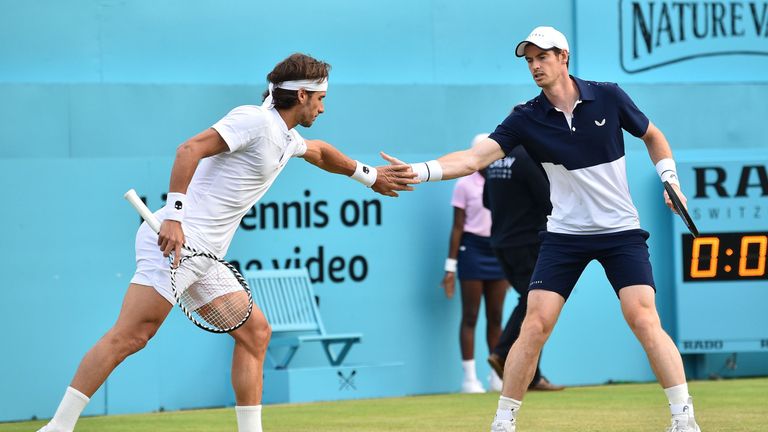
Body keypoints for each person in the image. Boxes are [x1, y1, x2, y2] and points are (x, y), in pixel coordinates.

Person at [37, 53, 417, 432]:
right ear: (302, 95)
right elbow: (189, 149)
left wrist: (369, 176)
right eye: (320, 99)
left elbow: (320, 152)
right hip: (174, 243)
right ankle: (58, 428)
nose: (323, 108)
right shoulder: (253, 120)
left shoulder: (286, 137)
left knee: (255, 334)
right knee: (131, 336)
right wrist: (174, 216)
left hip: (204, 257)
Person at [385, 26, 702, 432]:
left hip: (619, 230)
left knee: (642, 318)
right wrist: (418, 171)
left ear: (563, 57)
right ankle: (503, 423)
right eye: (529, 60)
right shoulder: (525, 117)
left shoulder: (608, 95)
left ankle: (683, 418)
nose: (535, 66)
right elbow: (471, 159)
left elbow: (653, 136)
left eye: (542, 57)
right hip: (565, 235)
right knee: (534, 325)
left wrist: (670, 179)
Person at [483, 144, 564, 392]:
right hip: (528, 241)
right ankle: (504, 351)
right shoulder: (528, 158)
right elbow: (548, 200)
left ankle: (533, 375)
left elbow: (487, 201)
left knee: (533, 303)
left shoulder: (495, 160)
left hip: (500, 241)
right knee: (537, 303)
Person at [441, 134, 507, 393]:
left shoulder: (503, 182)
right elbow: (457, 227)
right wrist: (450, 267)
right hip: (472, 251)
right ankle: (469, 379)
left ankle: (496, 377)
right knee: (470, 316)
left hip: (498, 251)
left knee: (496, 317)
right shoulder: (464, 184)